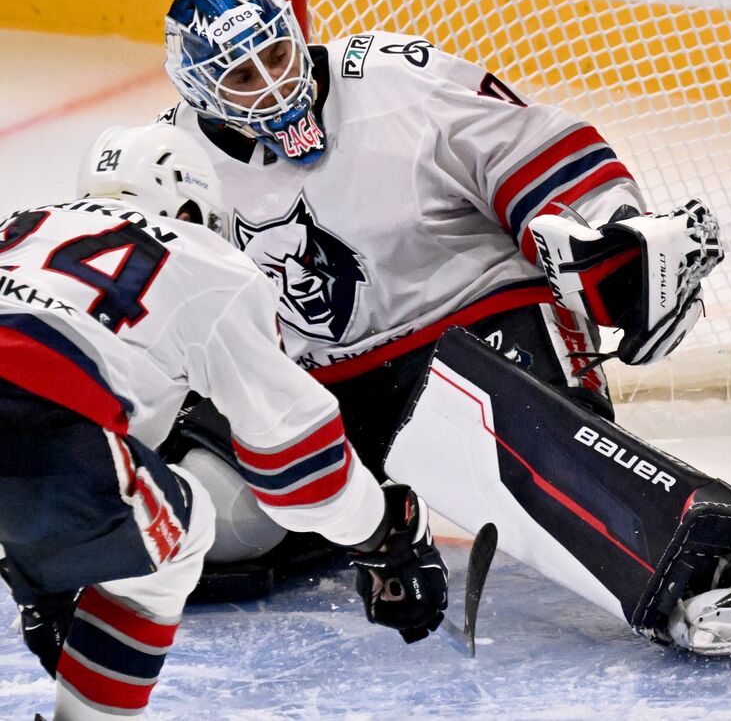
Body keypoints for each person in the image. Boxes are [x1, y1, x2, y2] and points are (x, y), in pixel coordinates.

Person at [157, 0, 731, 653]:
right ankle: (367, 520)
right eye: (244, 75)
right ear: (199, 90)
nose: (274, 85)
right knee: (209, 514)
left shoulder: (392, 79)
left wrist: (611, 237)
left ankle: (722, 565)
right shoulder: (169, 164)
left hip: (480, 322)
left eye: (276, 55)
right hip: (322, 384)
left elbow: (534, 151)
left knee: (498, 435)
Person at [0, 124, 447, 719]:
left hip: (38, 428)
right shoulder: (204, 257)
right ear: (188, 208)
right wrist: (384, 531)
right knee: (184, 530)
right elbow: (302, 475)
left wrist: (42, 573)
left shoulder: (22, 225)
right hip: (40, 418)